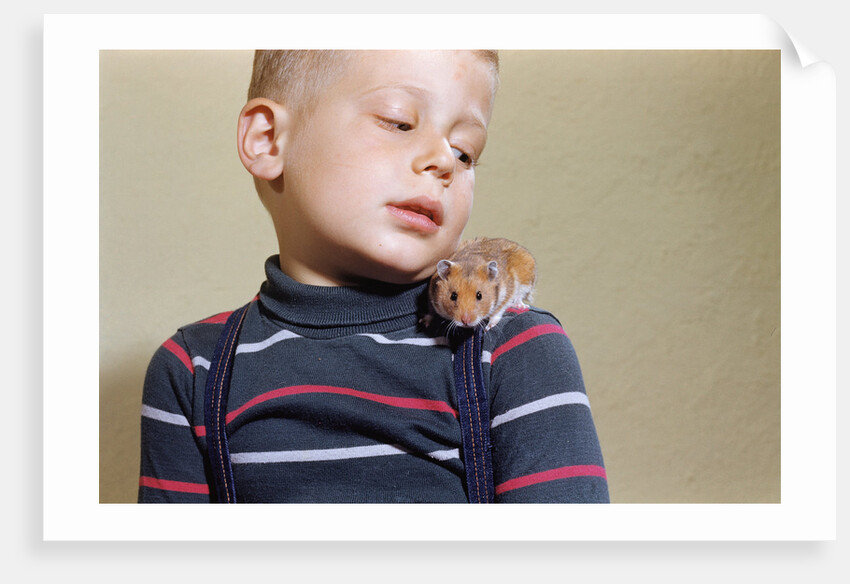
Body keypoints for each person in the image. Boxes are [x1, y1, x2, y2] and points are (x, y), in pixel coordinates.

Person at [138, 50, 610, 503]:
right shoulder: (191, 371)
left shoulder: (517, 351)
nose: (444, 160)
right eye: (399, 121)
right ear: (267, 140)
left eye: (466, 153)